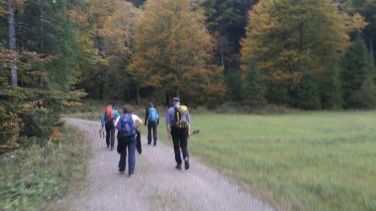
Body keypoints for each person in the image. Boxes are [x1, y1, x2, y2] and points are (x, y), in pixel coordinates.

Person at [116, 105, 142, 176]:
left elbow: (115, 125)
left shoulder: (120, 117)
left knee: (123, 153)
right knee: (132, 154)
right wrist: (134, 127)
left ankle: (122, 168)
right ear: (130, 110)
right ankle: (131, 172)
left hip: (122, 138)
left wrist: (121, 130)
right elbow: (140, 122)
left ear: (123, 111)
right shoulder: (134, 116)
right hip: (132, 137)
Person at [166, 97, 191, 170]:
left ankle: (179, 164)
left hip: (175, 130)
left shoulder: (170, 110)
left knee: (176, 147)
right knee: (184, 146)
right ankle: (186, 158)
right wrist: (188, 131)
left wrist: (168, 133)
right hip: (184, 129)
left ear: (172, 102)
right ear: (179, 102)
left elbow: (168, 123)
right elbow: (189, 122)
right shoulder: (185, 109)